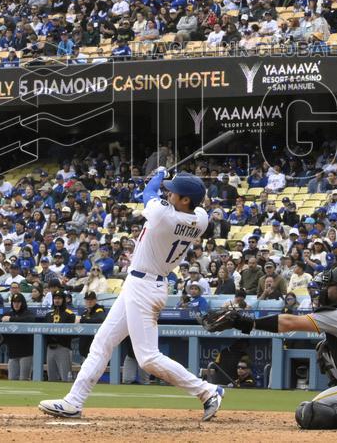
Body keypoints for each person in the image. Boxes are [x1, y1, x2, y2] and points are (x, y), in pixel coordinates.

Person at [40, 170, 224, 420]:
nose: (169, 193)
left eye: (175, 191)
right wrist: (171, 183)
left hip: (145, 287)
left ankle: (208, 391)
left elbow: (149, 192)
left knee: (148, 358)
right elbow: (189, 206)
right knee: (102, 342)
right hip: (143, 284)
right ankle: (73, 402)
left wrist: (159, 174)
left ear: (186, 200)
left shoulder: (163, 214)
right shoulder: (200, 218)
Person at [202, 266, 337, 431]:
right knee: (325, 347)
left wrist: (243, 322)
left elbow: (290, 322)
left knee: (311, 412)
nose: (324, 289)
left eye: (330, 286)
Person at [44, 290, 78, 381]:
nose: (57, 300)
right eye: (55, 298)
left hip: (63, 347)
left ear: (63, 300)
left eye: (59, 298)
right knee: (51, 377)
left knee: (66, 377)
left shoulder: (69, 314)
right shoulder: (48, 314)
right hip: (50, 348)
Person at [0, 292, 35, 380]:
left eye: (18, 302)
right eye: (14, 302)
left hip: (26, 353)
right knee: (12, 378)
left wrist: (11, 319)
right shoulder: (9, 313)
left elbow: (30, 319)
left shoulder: (27, 313)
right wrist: (2, 319)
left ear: (22, 303)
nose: (16, 304)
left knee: (24, 379)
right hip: (13, 353)